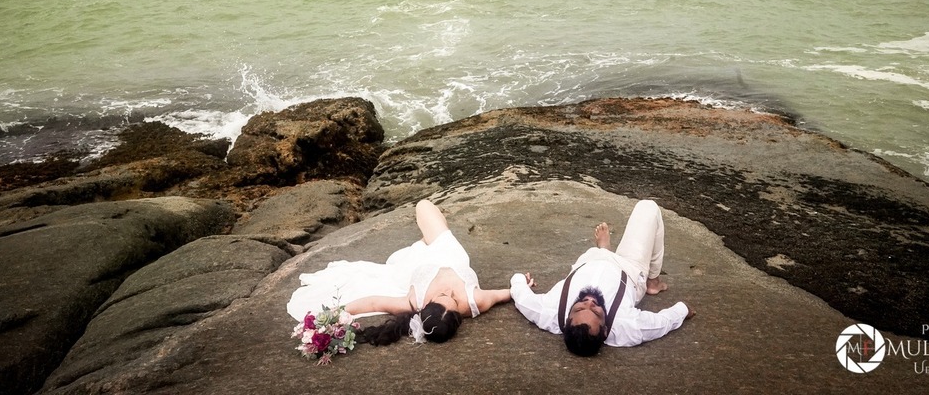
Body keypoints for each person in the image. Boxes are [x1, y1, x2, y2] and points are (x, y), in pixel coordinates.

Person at [286, 199, 511, 345]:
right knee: (424, 206)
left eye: (445, 296)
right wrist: (521, 285)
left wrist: (334, 315)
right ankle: (426, 240)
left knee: (423, 207)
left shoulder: (413, 301)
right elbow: (506, 293)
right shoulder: (476, 301)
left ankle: (423, 243)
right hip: (448, 250)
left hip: (418, 264)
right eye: (453, 298)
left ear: (427, 304)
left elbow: (373, 302)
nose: (450, 292)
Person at [509, 199, 692, 356]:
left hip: (592, 259)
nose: (589, 301)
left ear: (566, 321)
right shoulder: (626, 326)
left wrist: (520, 280)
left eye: (579, 308)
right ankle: (653, 282)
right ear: (605, 331)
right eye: (596, 312)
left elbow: (520, 296)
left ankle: (603, 250)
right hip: (629, 269)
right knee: (648, 207)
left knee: (598, 255)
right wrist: (683, 310)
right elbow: (662, 323)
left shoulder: (548, 312)